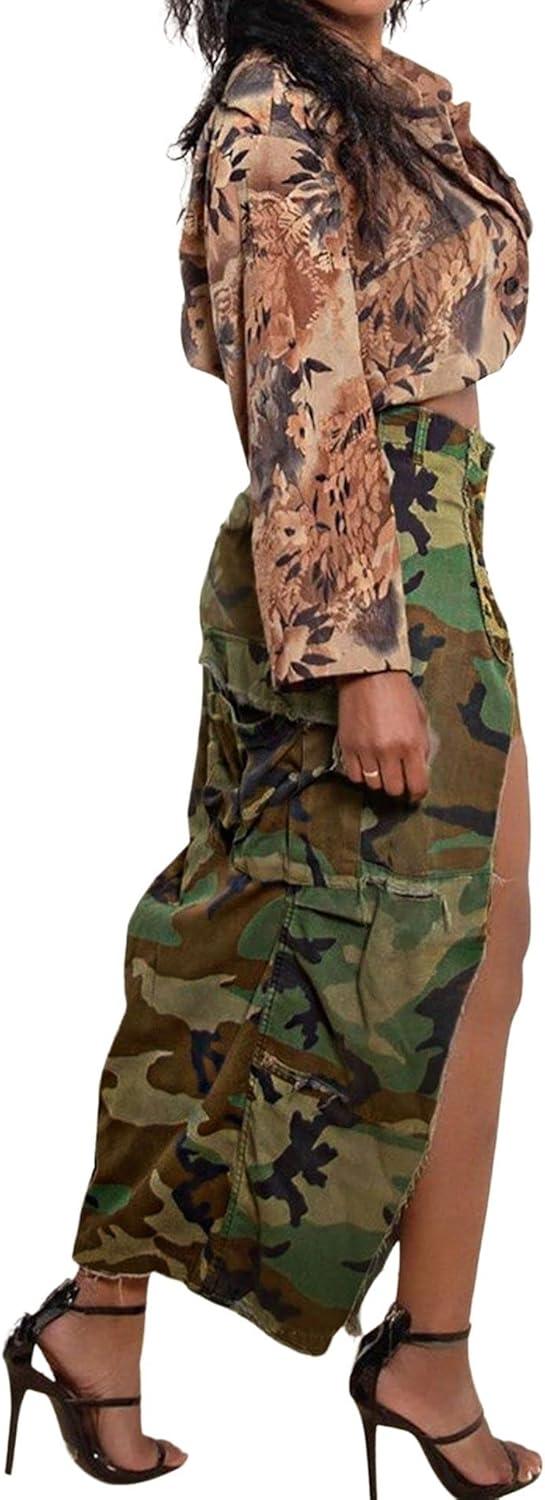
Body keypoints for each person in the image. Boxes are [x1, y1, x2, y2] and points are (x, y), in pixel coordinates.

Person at [4, 0, 542, 1492]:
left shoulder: (373, 92)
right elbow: (299, 389)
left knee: (476, 950)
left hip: (439, 542)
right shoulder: (274, 112)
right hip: (356, 572)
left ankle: (419, 1347)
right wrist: (361, 657)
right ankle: (110, 1314)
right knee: (236, 944)